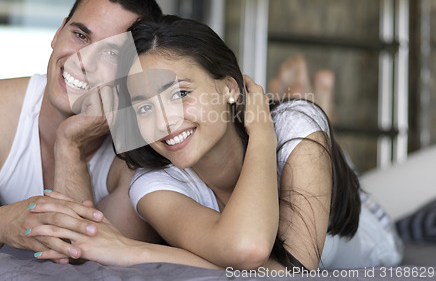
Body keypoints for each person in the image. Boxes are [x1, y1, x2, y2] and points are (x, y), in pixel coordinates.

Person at [34, 15, 403, 270]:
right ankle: (299, 99)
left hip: (372, 227)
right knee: (303, 130)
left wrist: (261, 133)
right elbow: (249, 257)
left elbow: (289, 272)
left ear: (229, 88)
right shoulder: (152, 180)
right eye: (143, 106)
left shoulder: (289, 125)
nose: (164, 122)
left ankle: (308, 102)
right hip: (267, 130)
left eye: (179, 93)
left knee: (304, 122)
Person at [0, 0, 164, 262]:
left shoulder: (142, 151)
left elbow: (81, 261)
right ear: (58, 32)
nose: (82, 61)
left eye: (109, 53)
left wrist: (70, 145)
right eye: (80, 35)